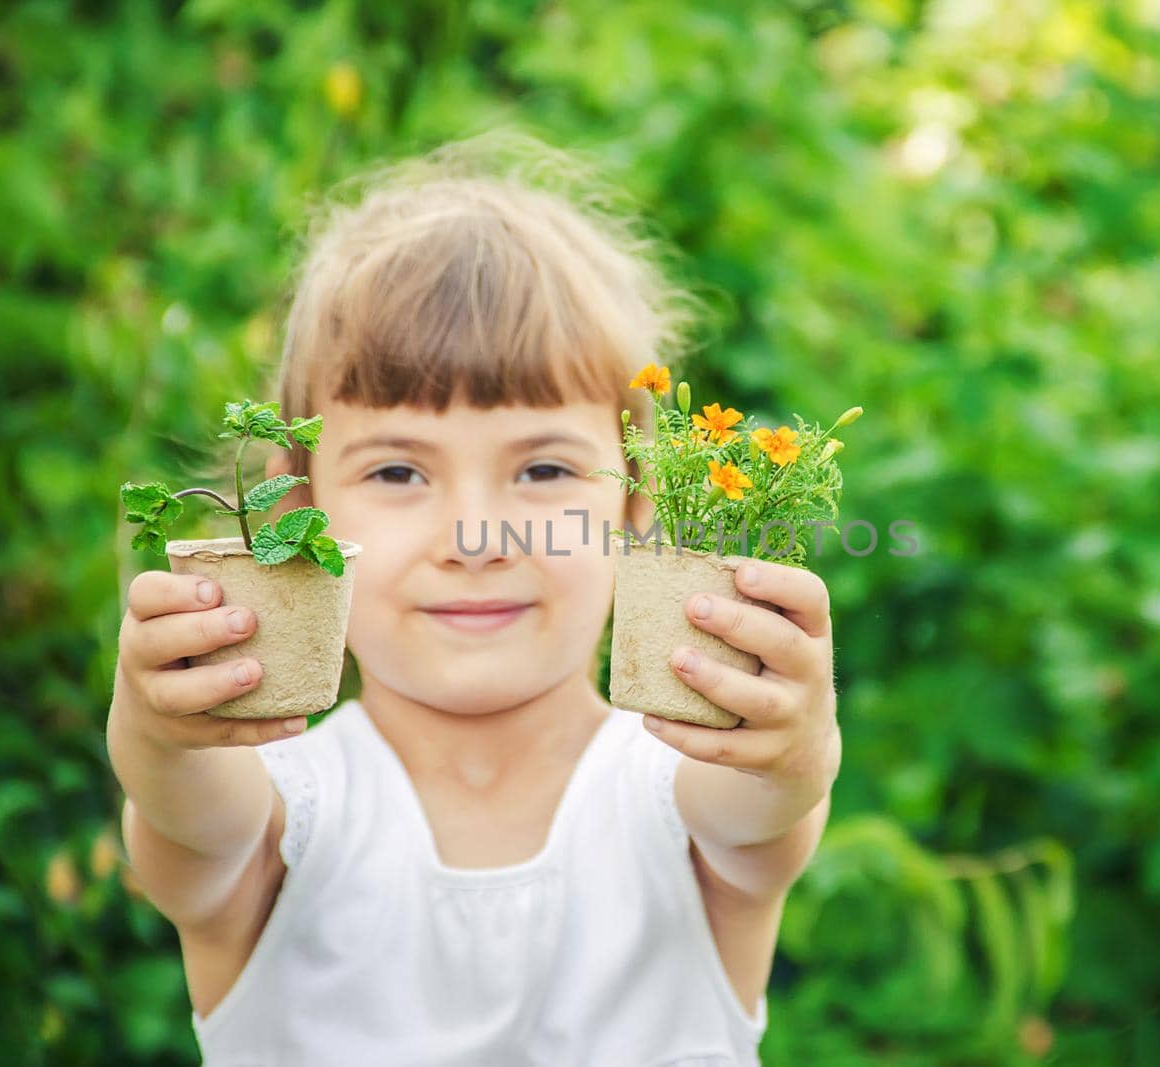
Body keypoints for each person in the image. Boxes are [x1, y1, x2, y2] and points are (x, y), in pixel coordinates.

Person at [106, 130, 842, 1066]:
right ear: (299, 508)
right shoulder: (281, 808)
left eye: (541, 468)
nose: (476, 540)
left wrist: (793, 746)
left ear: (638, 503)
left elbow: (761, 805)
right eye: (401, 471)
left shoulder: (676, 792)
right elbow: (181, 805)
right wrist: (159, 725)